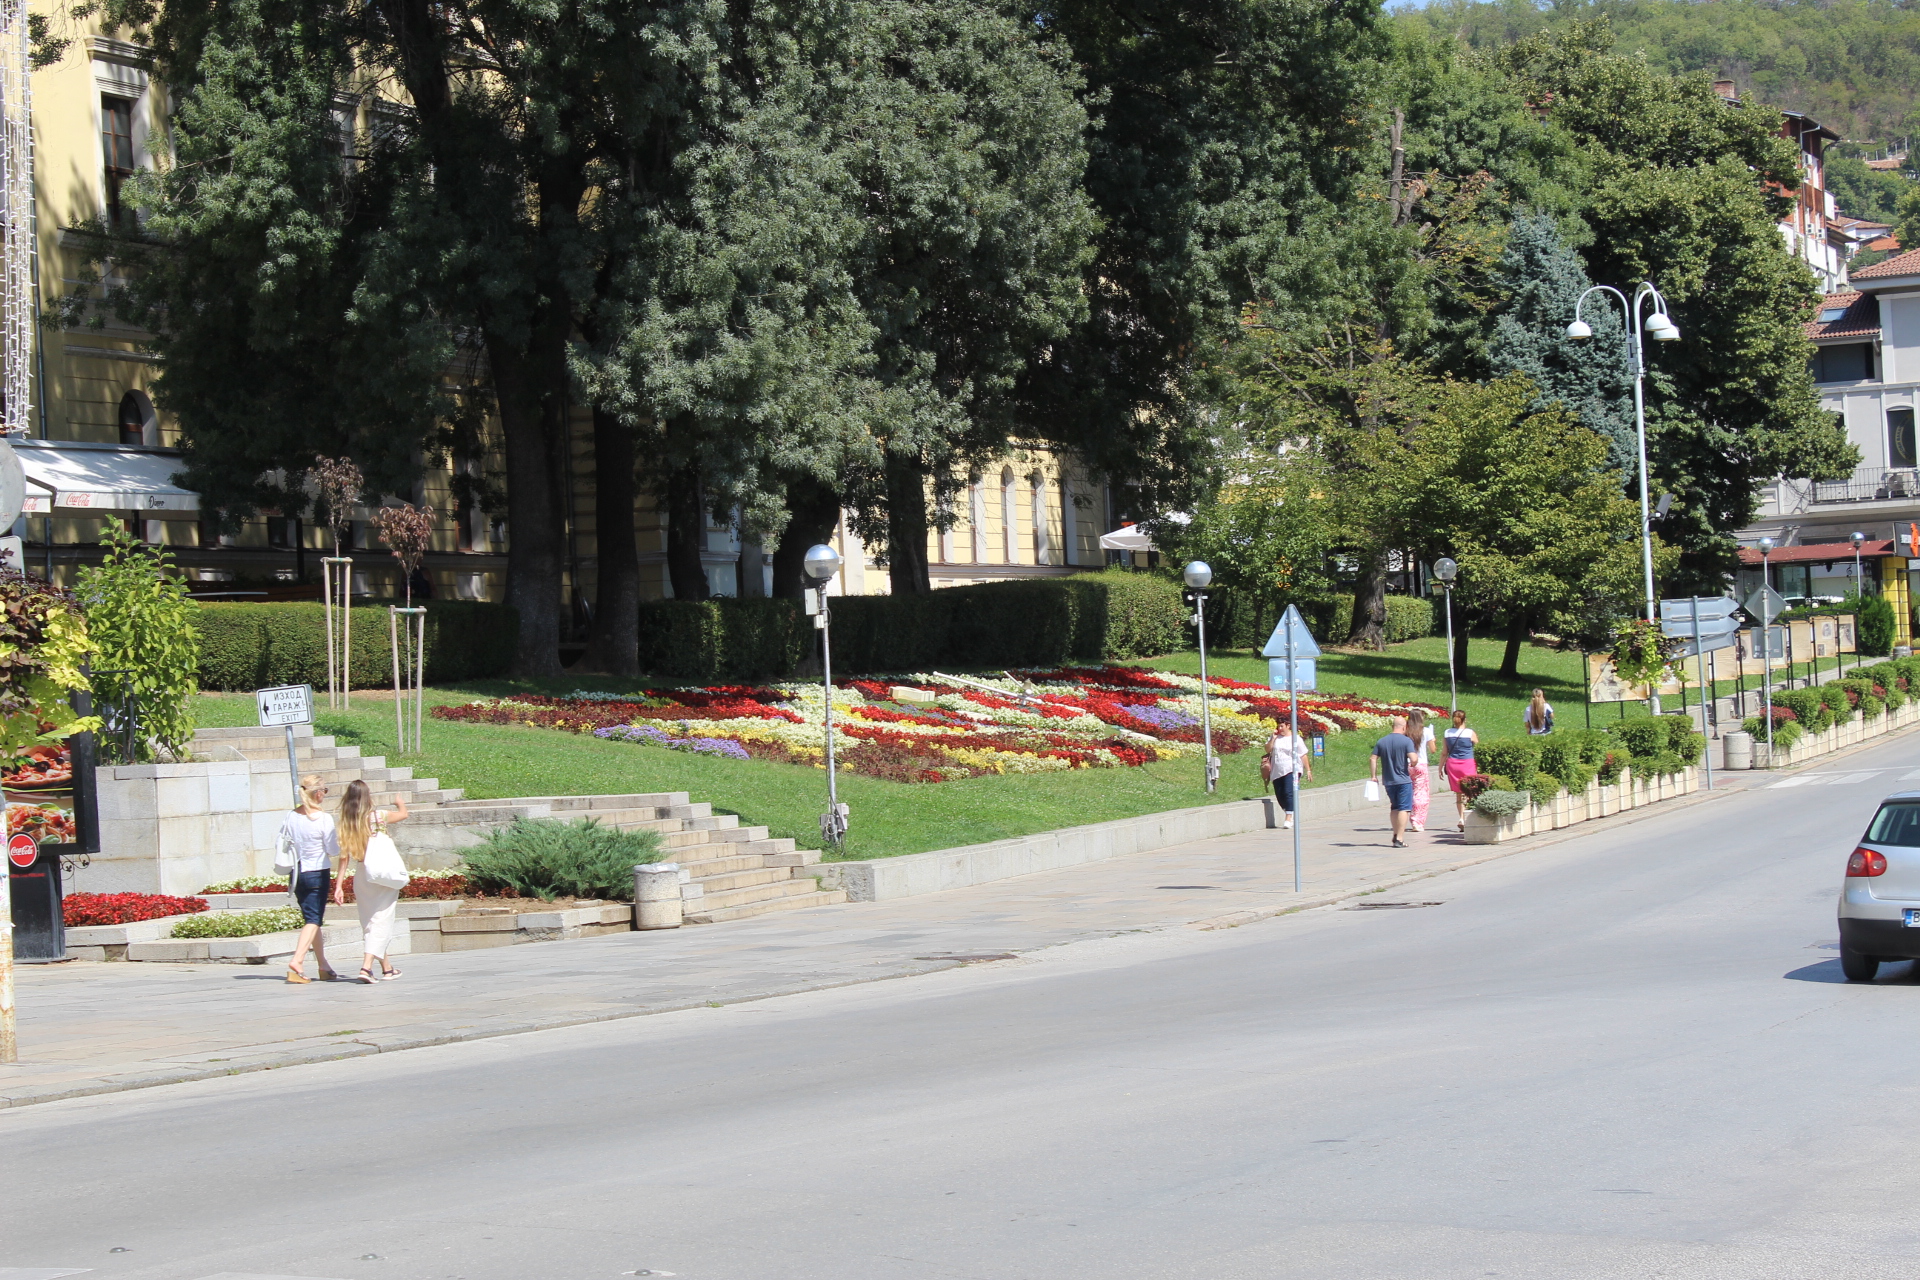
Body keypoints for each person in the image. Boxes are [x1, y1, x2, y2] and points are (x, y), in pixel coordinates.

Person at [332, 780, 411, 983]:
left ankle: (387, 968)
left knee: (370, 923)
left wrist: (339, 886)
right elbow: (403, 814)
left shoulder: (347, 823)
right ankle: (366, 968)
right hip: (382, 874)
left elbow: (343, 858)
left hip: (362, 875)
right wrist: (399, 803)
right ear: (367, 797)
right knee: (381, 921)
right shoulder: (378, 816)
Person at [281, 774, 340, 984]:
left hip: (297, 872)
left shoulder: (291, 816)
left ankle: (323, 965)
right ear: (318, 793)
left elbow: (283, 840)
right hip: (317, 872)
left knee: (311, 919)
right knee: (314, 919)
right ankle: (297, 961)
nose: (325, 795)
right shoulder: (323, 818)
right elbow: (332, 849)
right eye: (324, 791)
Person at [1370, 715, 1417, 848]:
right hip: (1403, 780)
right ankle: (1399, 838)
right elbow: (1413, 758)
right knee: (1404, 808)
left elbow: (1372, 758)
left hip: (1388, 781)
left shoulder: (1382, 741)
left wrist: (1373, 776)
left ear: (1393, 726)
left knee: (1394, 807)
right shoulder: (1406, 741)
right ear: (1404, 727)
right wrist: (1414, 762)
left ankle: (1395, 833)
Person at [1263, 721, 1313, 830]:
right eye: (1278, 726)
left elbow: (1303, 755)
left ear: (1288, 726)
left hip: (1292, 769)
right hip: (1277, 770)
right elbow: (1267, 749)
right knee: (1280, 795)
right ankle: (1290, 811)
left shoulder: (1296, 738)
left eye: (1282, 726)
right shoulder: (1275, 738)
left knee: (1288, 792)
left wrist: (1308, 770)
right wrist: (1273, 739)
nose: (1280, 728)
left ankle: (1288, 818)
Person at [1442, 709, 1480, 832]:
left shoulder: (1447, 733)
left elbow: (1444, 752)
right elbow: (1478, 747)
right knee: (1469, 790)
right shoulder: (1469, 733)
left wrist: (1440, 767)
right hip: (1467, 763)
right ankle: (1468, 817)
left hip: (1453, 764)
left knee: (1459, 793)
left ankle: (1461, 818)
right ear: (1465, 719)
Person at [1407, 708, 1434, 832]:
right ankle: (1417, 821)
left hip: (1407, 764)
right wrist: (1433, 740)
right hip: (1421, 764)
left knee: (1410, 791)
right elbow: (1433, 749)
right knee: (1421, 793)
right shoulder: (1426, 731)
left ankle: (1409, 817)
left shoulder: (1406, 731)